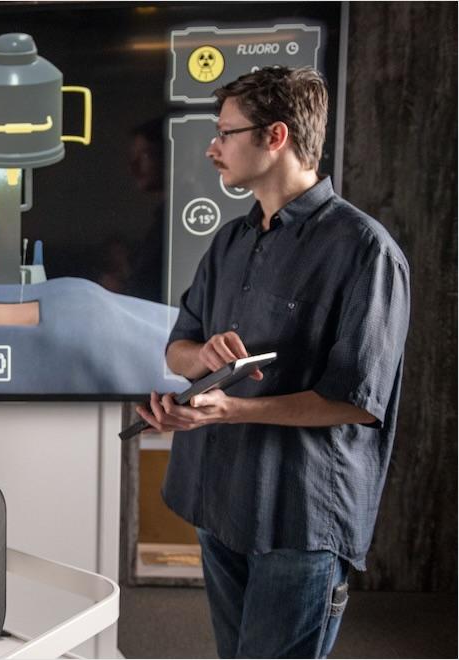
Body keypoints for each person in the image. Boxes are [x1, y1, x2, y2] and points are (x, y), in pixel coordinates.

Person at [135, 67, 410, 658]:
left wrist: (229, 409)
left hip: (299, 521)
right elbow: (177, 347)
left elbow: (357, 401)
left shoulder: (365, 250)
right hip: (220, 505)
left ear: (275, 136)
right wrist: (200, 359)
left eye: (226, 133)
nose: (213, 147)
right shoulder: (231, 240)